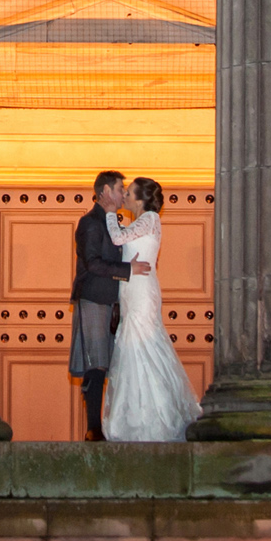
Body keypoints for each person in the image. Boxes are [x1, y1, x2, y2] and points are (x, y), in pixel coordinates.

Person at [100, 176, 200, 442]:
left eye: (130, 194)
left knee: (142, 346)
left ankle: (154, 423)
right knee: (132, 349)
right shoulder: (140, 222)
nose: (125, 198)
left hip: (142, 294)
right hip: (132, 291)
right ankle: (134, 419)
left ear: (142, 200)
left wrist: (110, 213)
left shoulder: (151, 219)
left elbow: (119, 238)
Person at [70, 171, 134, 441]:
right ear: (106, 190)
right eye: (121, 189)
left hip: (110, 302)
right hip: (95, 299)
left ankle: (107, 426)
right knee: (96, 365)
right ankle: (94, 429)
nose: (123, 194)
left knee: (109, 364)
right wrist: (128, 271)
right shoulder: (90, 223)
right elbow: (94, 263)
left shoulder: (111, 221)